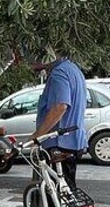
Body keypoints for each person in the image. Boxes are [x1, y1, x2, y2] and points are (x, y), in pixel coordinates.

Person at [29, 55, 89, 188]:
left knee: (57, 192)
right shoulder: (72, 69)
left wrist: (37, 135)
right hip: (73, 140)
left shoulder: (58, 74)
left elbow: (60, 107)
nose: (31, 61)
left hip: (59, 142)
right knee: (67, 188)